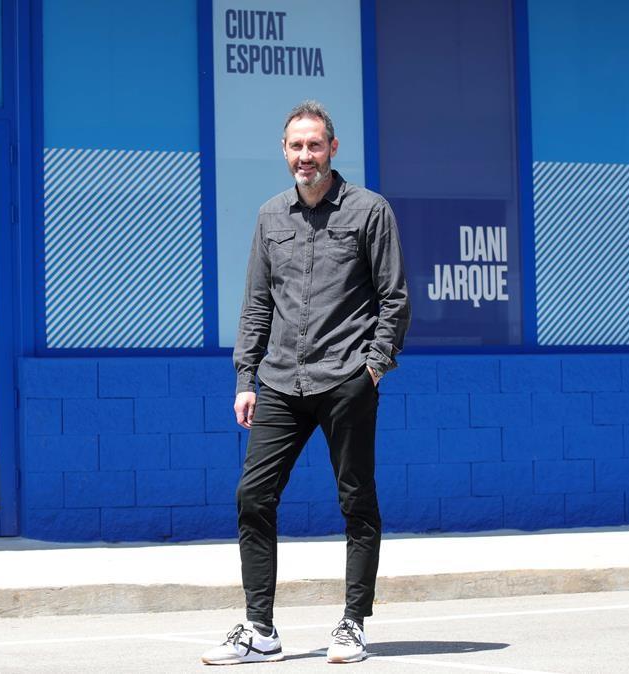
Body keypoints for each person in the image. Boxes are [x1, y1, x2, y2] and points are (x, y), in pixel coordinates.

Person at [201, 100, 411, 665]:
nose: (305, 156)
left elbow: (394, 298)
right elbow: (256, 305)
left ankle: (352, 622)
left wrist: (374, 365)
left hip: (346, 378)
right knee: (253, 495)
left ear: (333, 149)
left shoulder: (370, 211)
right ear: (284, 151)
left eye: (314, 145)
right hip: (279, 382)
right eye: (296, 146)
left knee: (355, 500)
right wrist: (246, 377)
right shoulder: (271, 216)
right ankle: (260, 629)